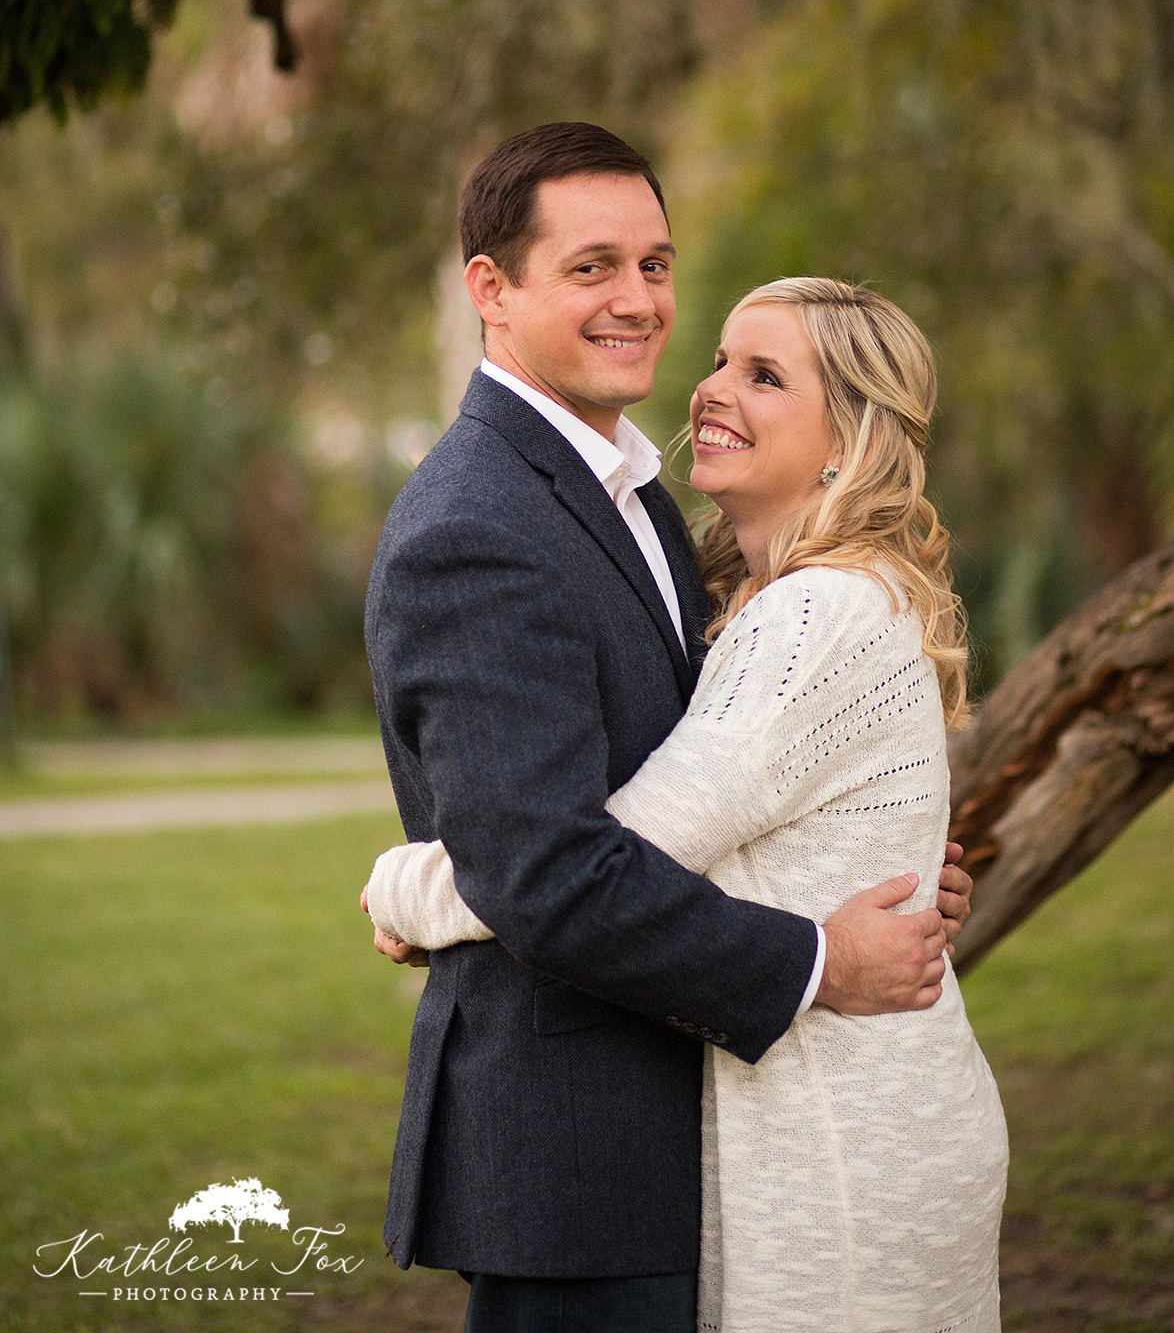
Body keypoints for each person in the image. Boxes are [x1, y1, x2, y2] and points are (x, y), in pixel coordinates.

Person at [362, 125, 976, 1333]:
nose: (638, 302)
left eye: (654, 265)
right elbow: (549, 872)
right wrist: (820, 956)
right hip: (577, 1152)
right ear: (491, 287)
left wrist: (413, 891)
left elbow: (687, 796)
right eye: (593, 267)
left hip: (720, 1132)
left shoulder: (639, 494)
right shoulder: (476, 523)